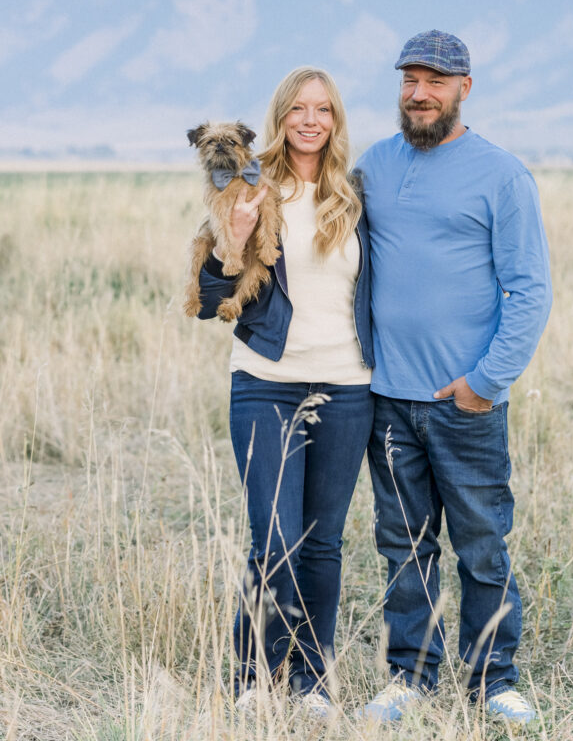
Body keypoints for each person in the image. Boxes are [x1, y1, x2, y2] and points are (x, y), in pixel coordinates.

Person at [355, 30, 552, 726]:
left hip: (463, 405)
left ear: (463, 88)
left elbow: (529, 290)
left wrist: (484, 382)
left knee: (479, 545)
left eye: (435, 81)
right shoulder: (373, 166)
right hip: (385, 400)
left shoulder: (500, 173)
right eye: (410, 79)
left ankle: (493, 679)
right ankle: (408, 675)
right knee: (402, 547)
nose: (419, 92)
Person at [194, 67, 374, 716]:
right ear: (279, 117)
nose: (309, 120)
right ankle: (253, 677)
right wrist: (232, 244)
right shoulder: (249, 185)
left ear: (335, 121)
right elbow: (210, 299)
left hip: (349, 385)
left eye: (321, 110)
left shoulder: (355, 196)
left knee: (323, 544)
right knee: (273, 538)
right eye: (297, 108)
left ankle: (312, 680)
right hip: (265, 383)